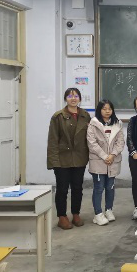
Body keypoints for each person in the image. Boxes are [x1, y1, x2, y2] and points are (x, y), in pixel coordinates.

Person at [47, 88, 91, 230]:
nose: (73, 98)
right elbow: (52, 141)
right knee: (62, 189)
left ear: (80, 99)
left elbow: (90, 138)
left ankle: (76, 214)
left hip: (79, 158)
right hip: (62, 159)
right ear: (65, 98)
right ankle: (62, 216)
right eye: (70, 96)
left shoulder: (85, 115)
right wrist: (54, 161)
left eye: (76, 96)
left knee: (77, 188)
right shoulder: (58, 116)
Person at [87, 99, 125, 226]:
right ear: (99, 110)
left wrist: (112, 155)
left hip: (113, 161)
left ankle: (109, 210)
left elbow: (120, 142)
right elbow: (92, 143)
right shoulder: (93, 124)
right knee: (99, 188)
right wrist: (105, 156)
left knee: (110, 187)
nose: (107, 111)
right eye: (104, 109)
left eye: (109, 109)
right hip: (98, 161)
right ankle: (98, 214)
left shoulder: (117, 124)